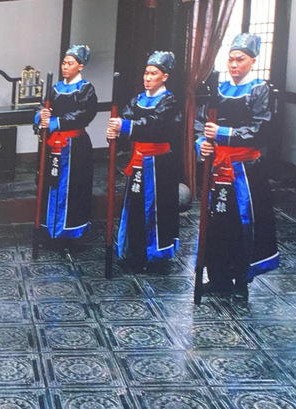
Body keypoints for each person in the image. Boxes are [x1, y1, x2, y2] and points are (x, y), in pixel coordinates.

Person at [195, 33, 279, 298]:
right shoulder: (217, 89)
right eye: (230, 59)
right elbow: (201, 123)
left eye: (240, 59)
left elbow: (261, 129)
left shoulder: (260, 90)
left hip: (245, 170)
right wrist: (202, 144)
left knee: (243, 222)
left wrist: (222, 133)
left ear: (252, 61)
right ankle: (217, 277)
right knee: (216, 222)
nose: (233, 64)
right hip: (218, 168)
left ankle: (242, 281)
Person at [106, 51, 182, 273]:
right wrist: (114, 132)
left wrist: (124, 126)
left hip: (159, 164)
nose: (148, 78)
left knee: (156, 208)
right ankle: (134, 251)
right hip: (139, 160)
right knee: (135, 206)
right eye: (146, 73)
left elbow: (155, 124)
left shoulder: (170, 101)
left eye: (154, 73)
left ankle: (155, 254)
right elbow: (125, 119)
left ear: (164, 76)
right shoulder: (137, 99)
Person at [35, 44, 98, 248]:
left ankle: (71, 232)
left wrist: (56, 122)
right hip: (53, 145)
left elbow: (85, 114)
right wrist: (41, 115)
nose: (65, 66)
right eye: (64, 63)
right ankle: (49, 229)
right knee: (51, 183)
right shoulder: (55, 89)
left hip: (75, 146)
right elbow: (44, 107)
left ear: (80, 66)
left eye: (70, 63)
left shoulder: (86, 89)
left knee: (73, 187)